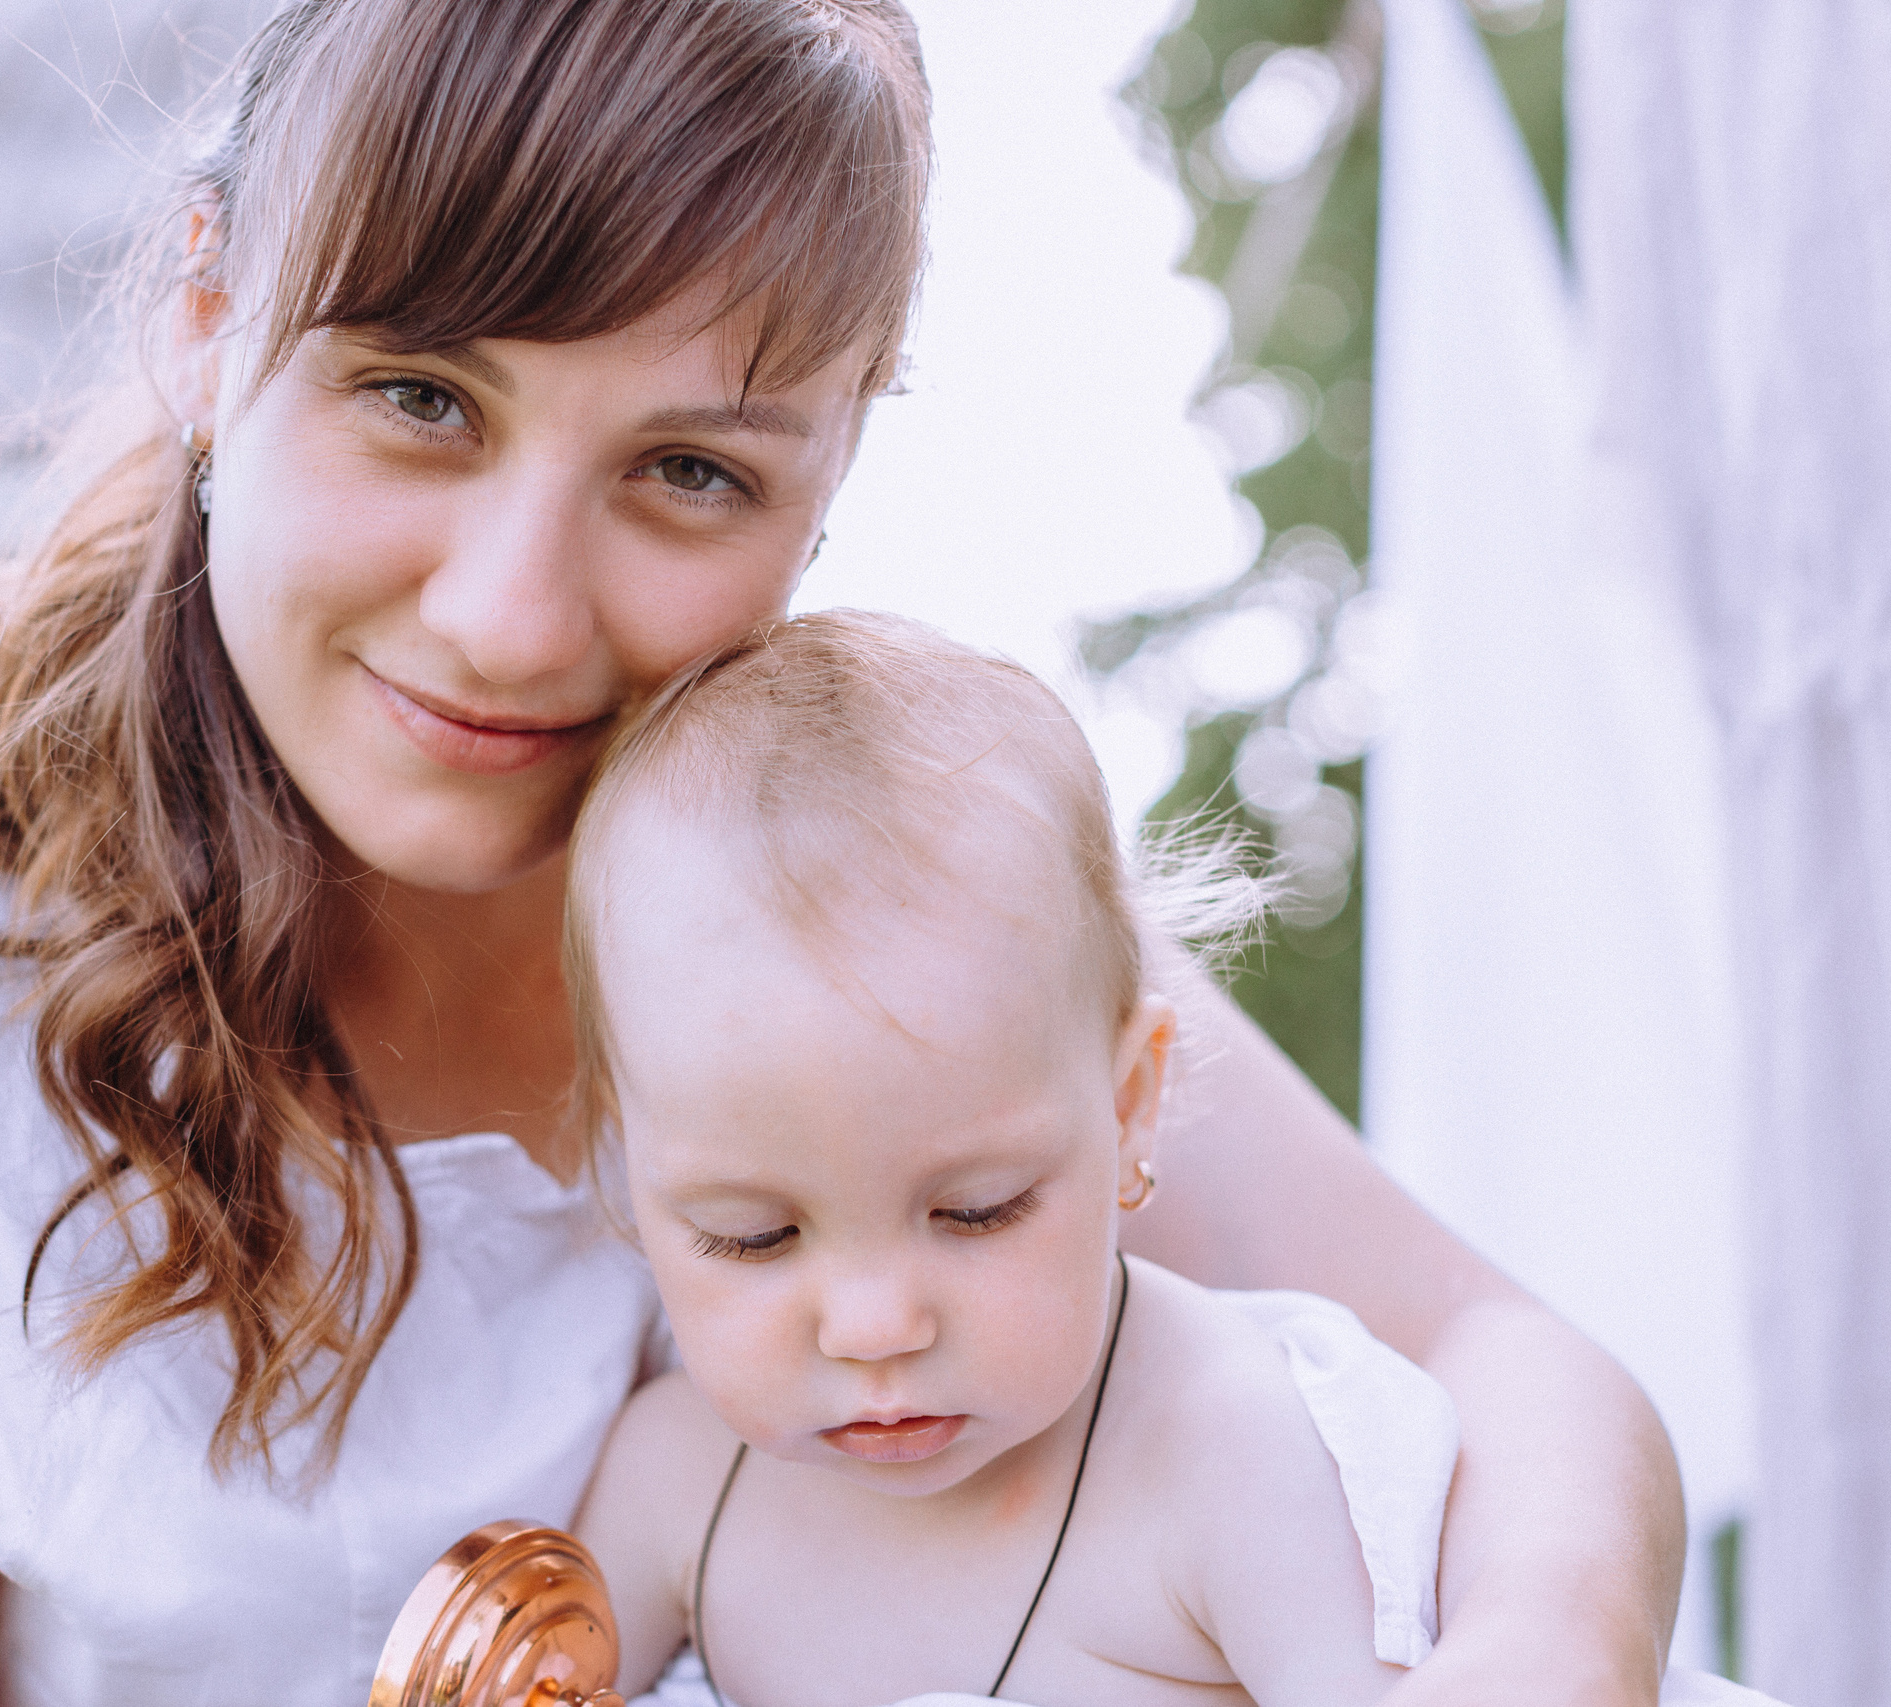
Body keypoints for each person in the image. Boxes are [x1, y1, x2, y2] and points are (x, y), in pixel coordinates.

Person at [0, 1, 1684, 1703]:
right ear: (208, 309)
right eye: (420, 398)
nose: (515, 616)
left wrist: (1523, 1654)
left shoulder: (866, 908)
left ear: (831, 468)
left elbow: (1510, 1368)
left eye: (690, 471)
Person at [570, 611, 1454, 1707]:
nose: (874, 1327)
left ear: (1130, 1104)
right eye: (752, 1236)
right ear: (629, 1161)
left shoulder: (1229, 1455)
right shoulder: (676, 1486)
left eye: (977, 1211)